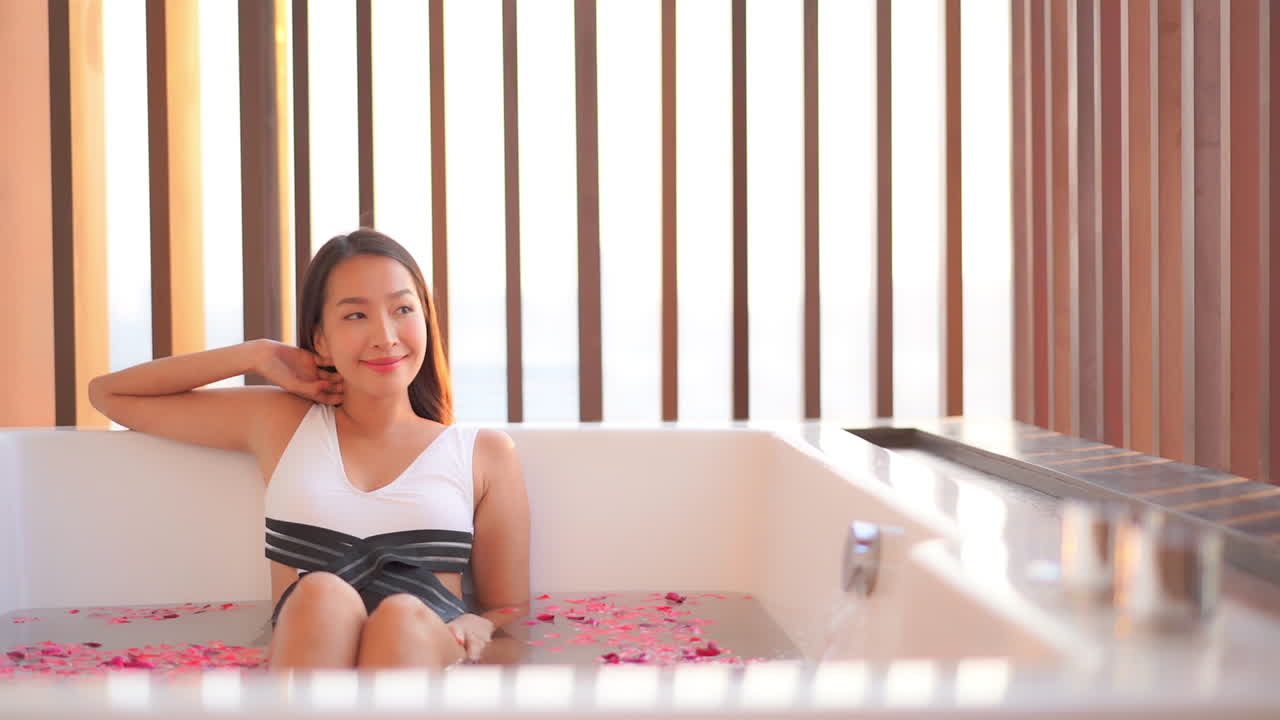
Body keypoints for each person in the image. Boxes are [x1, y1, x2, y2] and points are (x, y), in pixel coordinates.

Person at [88, 228, 530, 670]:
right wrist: (258, 355)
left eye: (402, 309)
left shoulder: (483, 453)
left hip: (425, 648)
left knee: (399, 616)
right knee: (323, 595)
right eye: (356, 316)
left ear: (426, 321)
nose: (385, 335)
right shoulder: (281, 423)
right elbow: (111, 395)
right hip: (308, 648)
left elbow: (509, 609)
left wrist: (484, 625)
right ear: (320, 339)